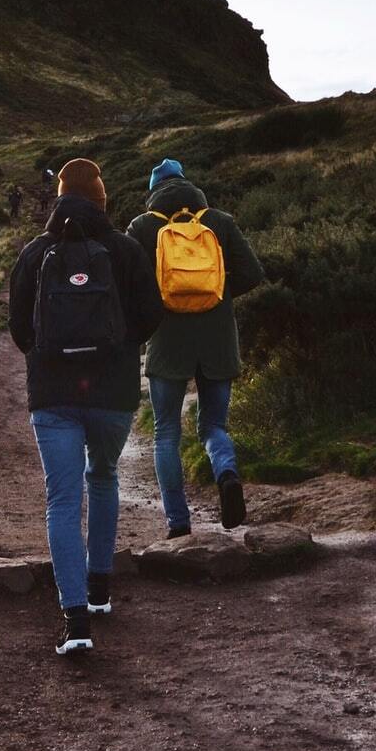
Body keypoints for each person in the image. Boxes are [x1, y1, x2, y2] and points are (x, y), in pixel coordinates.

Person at [10, 158, 162, 655]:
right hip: (113, 394)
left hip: (53, 396)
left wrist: (50, 354)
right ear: (102, 200)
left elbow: (19, 330)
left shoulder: (35, 253)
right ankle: (100, 591)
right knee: (103, 478)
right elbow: (150, 315)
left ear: (58, 199)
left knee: (61, 500)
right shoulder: (125, 250)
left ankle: (76, 623)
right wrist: (117, 350)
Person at [127, 159, 265, 538]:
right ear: (189, 184)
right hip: (218, 339)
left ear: (154, 190)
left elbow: (129, 286)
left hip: (167, 341)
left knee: (167, 432)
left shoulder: (142, 227)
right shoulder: (219, 221)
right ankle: (226, 474)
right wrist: (216, 296)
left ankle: (178, 524)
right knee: (213, 425)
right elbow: (253, 273)